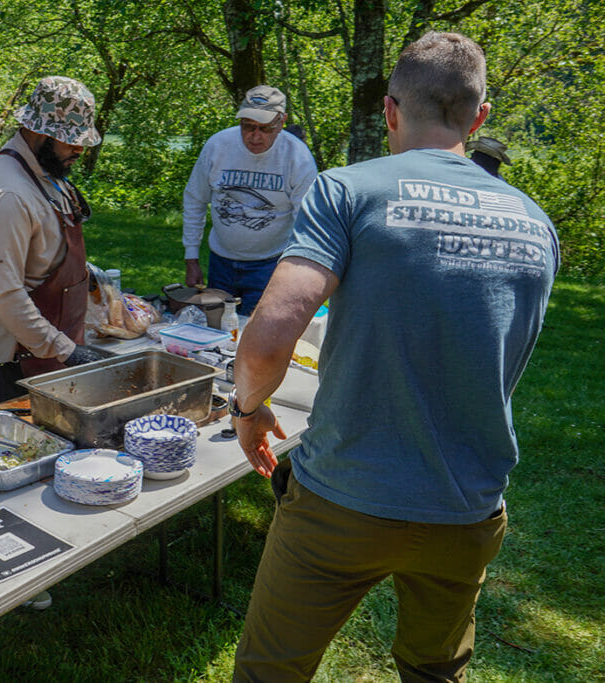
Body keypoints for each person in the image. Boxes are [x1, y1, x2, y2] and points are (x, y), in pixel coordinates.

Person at [228, 32, 558, 681]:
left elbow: (268, 338)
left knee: (269, 673)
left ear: (390, 110)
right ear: (478, 116)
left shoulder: (346, 190)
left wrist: (248, 409)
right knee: (436, 672)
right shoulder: (536, 222)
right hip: (467, 506)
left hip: (341, 500)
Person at [0, 76, 106, 407]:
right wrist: (66, 351)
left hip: (53, 353)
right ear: (40, 132)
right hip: (24, 367)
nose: (80, 150)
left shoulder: (44, 172)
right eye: (70, 141)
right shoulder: (9, 195)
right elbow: (5, 293)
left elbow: (47, 252)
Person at [182, 85, 318, 315]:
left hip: (270, 264)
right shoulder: (218, 146)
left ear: (281, 122)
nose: (255, 136)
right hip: (220, 261)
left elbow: (306, 222)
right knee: (215, 332)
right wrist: (191, 257)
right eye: (247, 126)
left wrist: (294, 272)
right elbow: (195, 200)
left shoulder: (298, 157)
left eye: (265, 129)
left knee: (258, 336)